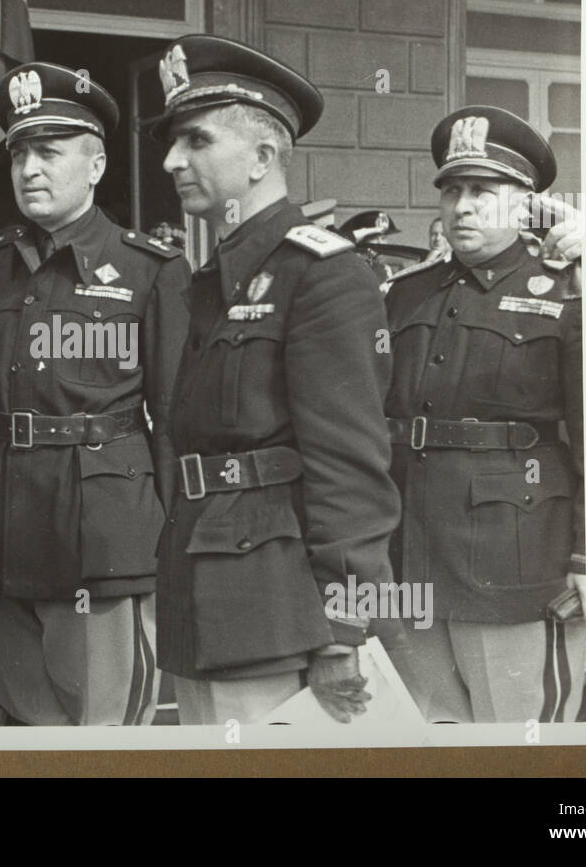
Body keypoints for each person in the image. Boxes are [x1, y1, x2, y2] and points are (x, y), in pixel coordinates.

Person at [147, 35, 404, 725]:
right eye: (174, 142)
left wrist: (344, 627)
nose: (173, 161)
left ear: (263, 157)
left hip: (279, 615)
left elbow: (350, 462)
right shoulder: (213, 279)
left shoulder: (321, 274)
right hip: (203, 594)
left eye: (196, 140)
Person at [0, 62, 191, 725]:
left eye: (50, 153)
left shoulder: (150, 270)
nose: (30, 169)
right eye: (20, 153)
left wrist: (171, 540)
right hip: (5, 527)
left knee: (99, 723)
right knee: (21, 708)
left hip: (100, 533)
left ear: (94, 166)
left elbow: (173, 419)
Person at [382, 105, 586, 723]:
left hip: (519, 565)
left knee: (522, 740)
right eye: (452, 190)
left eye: (482, 191)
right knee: (431, 740)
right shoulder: (407, 292)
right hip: (410, 564)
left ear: (525, 203)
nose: (462, 206)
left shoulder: (572, 290)